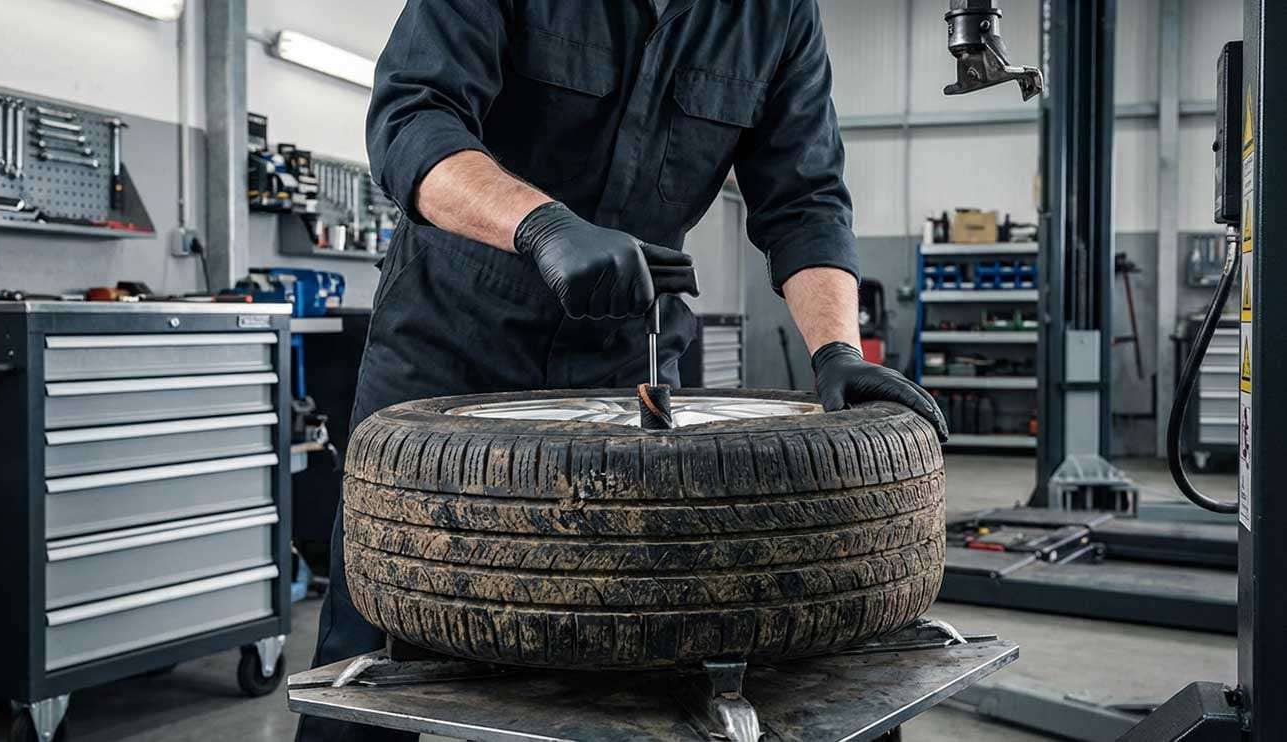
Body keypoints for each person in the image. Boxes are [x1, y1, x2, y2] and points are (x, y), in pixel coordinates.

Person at [297, 1, 947, 739]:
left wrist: (836, 348)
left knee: (644, 629)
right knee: (380, 635)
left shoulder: (777, 14)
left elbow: (805, 199)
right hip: (448, 349)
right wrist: (540, 226)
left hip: (625, 356)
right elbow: (412, 120)